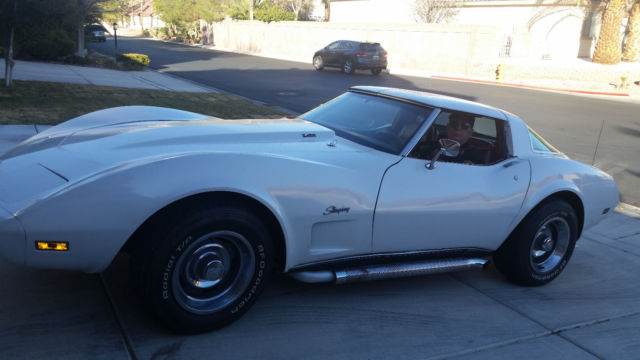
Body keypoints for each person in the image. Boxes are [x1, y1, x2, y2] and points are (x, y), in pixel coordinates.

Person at [409, 112, 490, 165]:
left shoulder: (476, 156)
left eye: (464, 126)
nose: (458, 128)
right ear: (447, 127)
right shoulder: (426, 147)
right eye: (454, 124)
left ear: (471, 132)